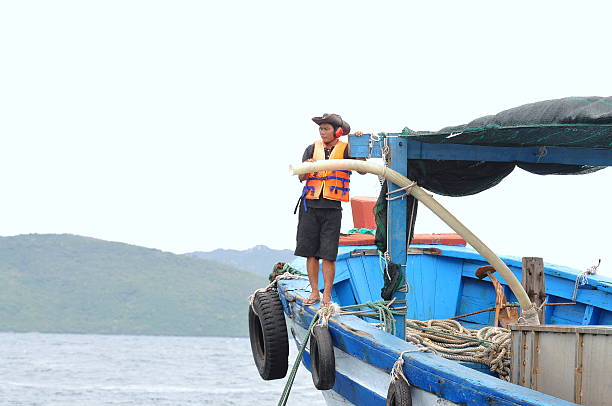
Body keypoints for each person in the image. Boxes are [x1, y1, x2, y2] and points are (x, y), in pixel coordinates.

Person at [294, 113, 363, 306]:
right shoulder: (311, 148)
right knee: (311, 252)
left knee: (328, 254)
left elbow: (362, 168)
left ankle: (327, 295)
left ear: (337, 131)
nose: (322, 132)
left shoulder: (346, 148)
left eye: (326, 129)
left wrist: (357, 143)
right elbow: (301, 177)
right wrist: (306, 168)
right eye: (321, 129)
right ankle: (314, 292)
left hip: (332, 207)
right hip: (310, 205)